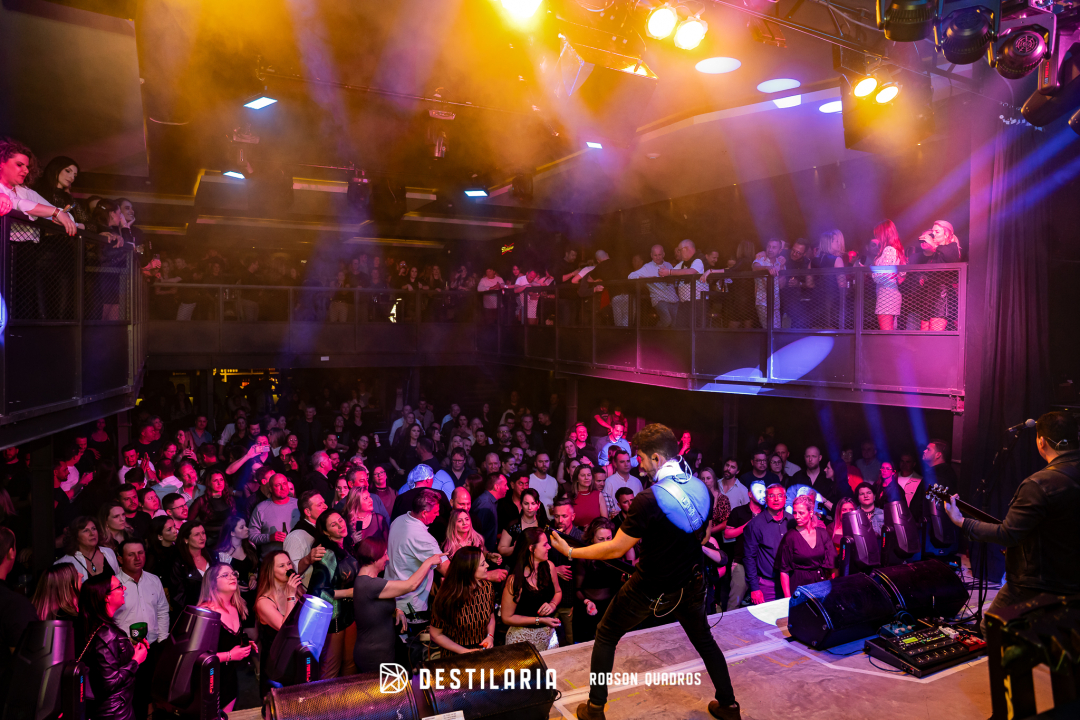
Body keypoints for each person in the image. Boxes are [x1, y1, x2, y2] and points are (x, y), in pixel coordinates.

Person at [551, 424, 739, 720]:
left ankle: (595, 708)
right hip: (690, 583)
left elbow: (615, 548)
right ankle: (728, 705)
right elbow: (703, 536)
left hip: (649, 587)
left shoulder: (649, 499)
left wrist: (571, 552)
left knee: (606, 634)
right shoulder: (699, 487)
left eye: (640, 458)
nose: (638, 464)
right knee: (705, 641)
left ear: (656, 458)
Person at [945, 411, 1080, 626]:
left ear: (1041, 441)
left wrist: (961, 521)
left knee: (992, 627)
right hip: (1071, 577)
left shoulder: (1039, 484)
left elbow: (1008, 534)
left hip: (1038, 582)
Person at [353, 537, 444, 672]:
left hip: (382, 652)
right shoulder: (369, 584)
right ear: (374, 558)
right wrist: (429, 561)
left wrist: (396, 610)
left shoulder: (368, 581)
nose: (387, 558)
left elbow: (372, 607)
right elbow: (411, 585)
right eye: (384, 554)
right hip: (374, 657)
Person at [77, 574, 148, 720]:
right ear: (106, 597)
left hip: (117, 707)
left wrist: (128, 645)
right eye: (119, 587)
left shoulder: (96, 626)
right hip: (115, 712)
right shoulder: (106, 633)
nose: (124, 588)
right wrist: (136, 661)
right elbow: (109, 682)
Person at [113, 539, 170, 720]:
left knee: (150, 692)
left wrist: (162, 639)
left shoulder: (153, 580)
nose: (137, 558)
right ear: (120, 559)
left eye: (140, 553)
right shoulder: (113, 584)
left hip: (151, 646)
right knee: (129, 695)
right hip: (125, 650)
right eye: (131, 554)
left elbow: (162, 610)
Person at [307, 511, 358, 678]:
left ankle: (348, 695)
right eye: (333, 525)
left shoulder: (346, 545)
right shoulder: (326, 553)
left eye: (340, 520)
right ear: (326, 532)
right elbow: (319, 592)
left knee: (350, 663)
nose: (340, 525)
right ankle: (325, 697)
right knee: (330, 669)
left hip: (348, 615)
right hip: (333, 618)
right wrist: (350, 592)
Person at [197, 564, 254, 712]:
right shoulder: (205, 613)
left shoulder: (236, 607)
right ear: (212, 583)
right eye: (225, 575)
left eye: (233, 574)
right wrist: (230, 655)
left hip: (230, 678)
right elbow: (197, 657)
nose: (232, 577)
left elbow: (224, 640)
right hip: (209, 680)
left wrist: (244, 643)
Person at [385, 489, 451, 613]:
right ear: (424, 513)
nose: (438, 515)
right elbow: (449, 571)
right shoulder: (423, 538)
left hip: (390, 597)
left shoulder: (398, 520)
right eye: (435, 512)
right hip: (411, 605)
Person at [501, 527, 562, 653]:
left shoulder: (549, 567)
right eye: (545, 544)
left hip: (548, 638)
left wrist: (552, 604)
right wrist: (539, 620)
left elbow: (558, 592)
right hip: (522, 640)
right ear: (531, 548)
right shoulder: (515, 580)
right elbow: (506, 617)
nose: (549, 547)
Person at [253, 551, 303, 697]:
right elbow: (286, 629)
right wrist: (290, 596)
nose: (288, 568)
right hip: (277, 664)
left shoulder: (298, 591)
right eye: (282, 566)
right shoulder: (264, 601)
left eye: (289, 564)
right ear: (271, 571)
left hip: (296, 658)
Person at [429, 546, 497, 654]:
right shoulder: (447, 597)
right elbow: (435, 635)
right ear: (468, 569)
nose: (487, 565)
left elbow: (491, 616)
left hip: (481, 651)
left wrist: (490, 636)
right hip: (455, 655)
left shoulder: (487, 588)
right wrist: (464, 652)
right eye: (482, 564)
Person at [572, 518, 625, 643]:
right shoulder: (584, 557)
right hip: (589, 609)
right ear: (592, 539)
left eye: (608, 538)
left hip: (610, 609)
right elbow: (577, 589)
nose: (605, 543)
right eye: (601, 539)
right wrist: (587, 602)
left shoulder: (616, 554)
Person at [744, 484, 792, 604]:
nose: (776, 499)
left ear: (785, 498)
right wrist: (754, 588)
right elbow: (749, 558)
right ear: (765, 499)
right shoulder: (755, 525)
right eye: (771, 496)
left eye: (780, 495)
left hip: (792, 581)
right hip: (767, 585)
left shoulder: (793, 521)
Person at [778, 495, 835, 597]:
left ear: (811, 512)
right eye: (795, 512)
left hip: (820, 584)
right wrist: (787, 598)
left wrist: (833, 588)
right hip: (799, 586)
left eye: (801, 513)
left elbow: (833, 564)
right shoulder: (790, 537)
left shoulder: (822, 533)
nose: (797, 516)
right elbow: (784, 571)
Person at [248, 473, 300, 555]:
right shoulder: (261, 508)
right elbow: (252, 536)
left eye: (284, 483)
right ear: (271, 489)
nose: (282, 487)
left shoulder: (299, 504)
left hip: (298, 557)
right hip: (272, 559)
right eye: (278, 485)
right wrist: (269, 537)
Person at [57, 516, 120, 583]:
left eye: (94, 529)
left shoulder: (108, 552)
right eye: (86, 530)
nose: (92, 533)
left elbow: (119, 580)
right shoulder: (65, 563)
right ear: (76, 536)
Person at [871, 220, 907, 330]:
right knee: (889, 332)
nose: (877, 238)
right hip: (891, 292)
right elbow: (902, 274)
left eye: (878, 234)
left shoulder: (889, 250)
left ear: (884, 234)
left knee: (886, 333)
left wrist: (873, 274)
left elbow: (881, 276)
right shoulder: (896, 249)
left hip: (886, 294)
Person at [169, 522, 210, 613]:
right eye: (197, 534)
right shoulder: (179, 563)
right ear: (185, 539)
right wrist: (197, 610)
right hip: (193, 612)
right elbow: (178, 597)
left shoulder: (212, 556)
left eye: (203, 533)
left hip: (216, 608)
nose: (202, 537)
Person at [498, 488, 548, 557]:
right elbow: (501, 549)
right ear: (521, 505)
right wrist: (514, 548)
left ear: (538, 505)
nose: (529, 507)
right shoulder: (513, 525)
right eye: (526, 504)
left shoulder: (544, 524)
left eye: (533, 503)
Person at [568, 465, 605, 530]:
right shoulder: (568, 496)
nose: (586, 478)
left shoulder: (598, 495)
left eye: (589, 475)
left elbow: (605, 521)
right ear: (577, 479)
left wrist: (592, 528)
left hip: (595, 533)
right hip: (574, 534)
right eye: (583, 475)